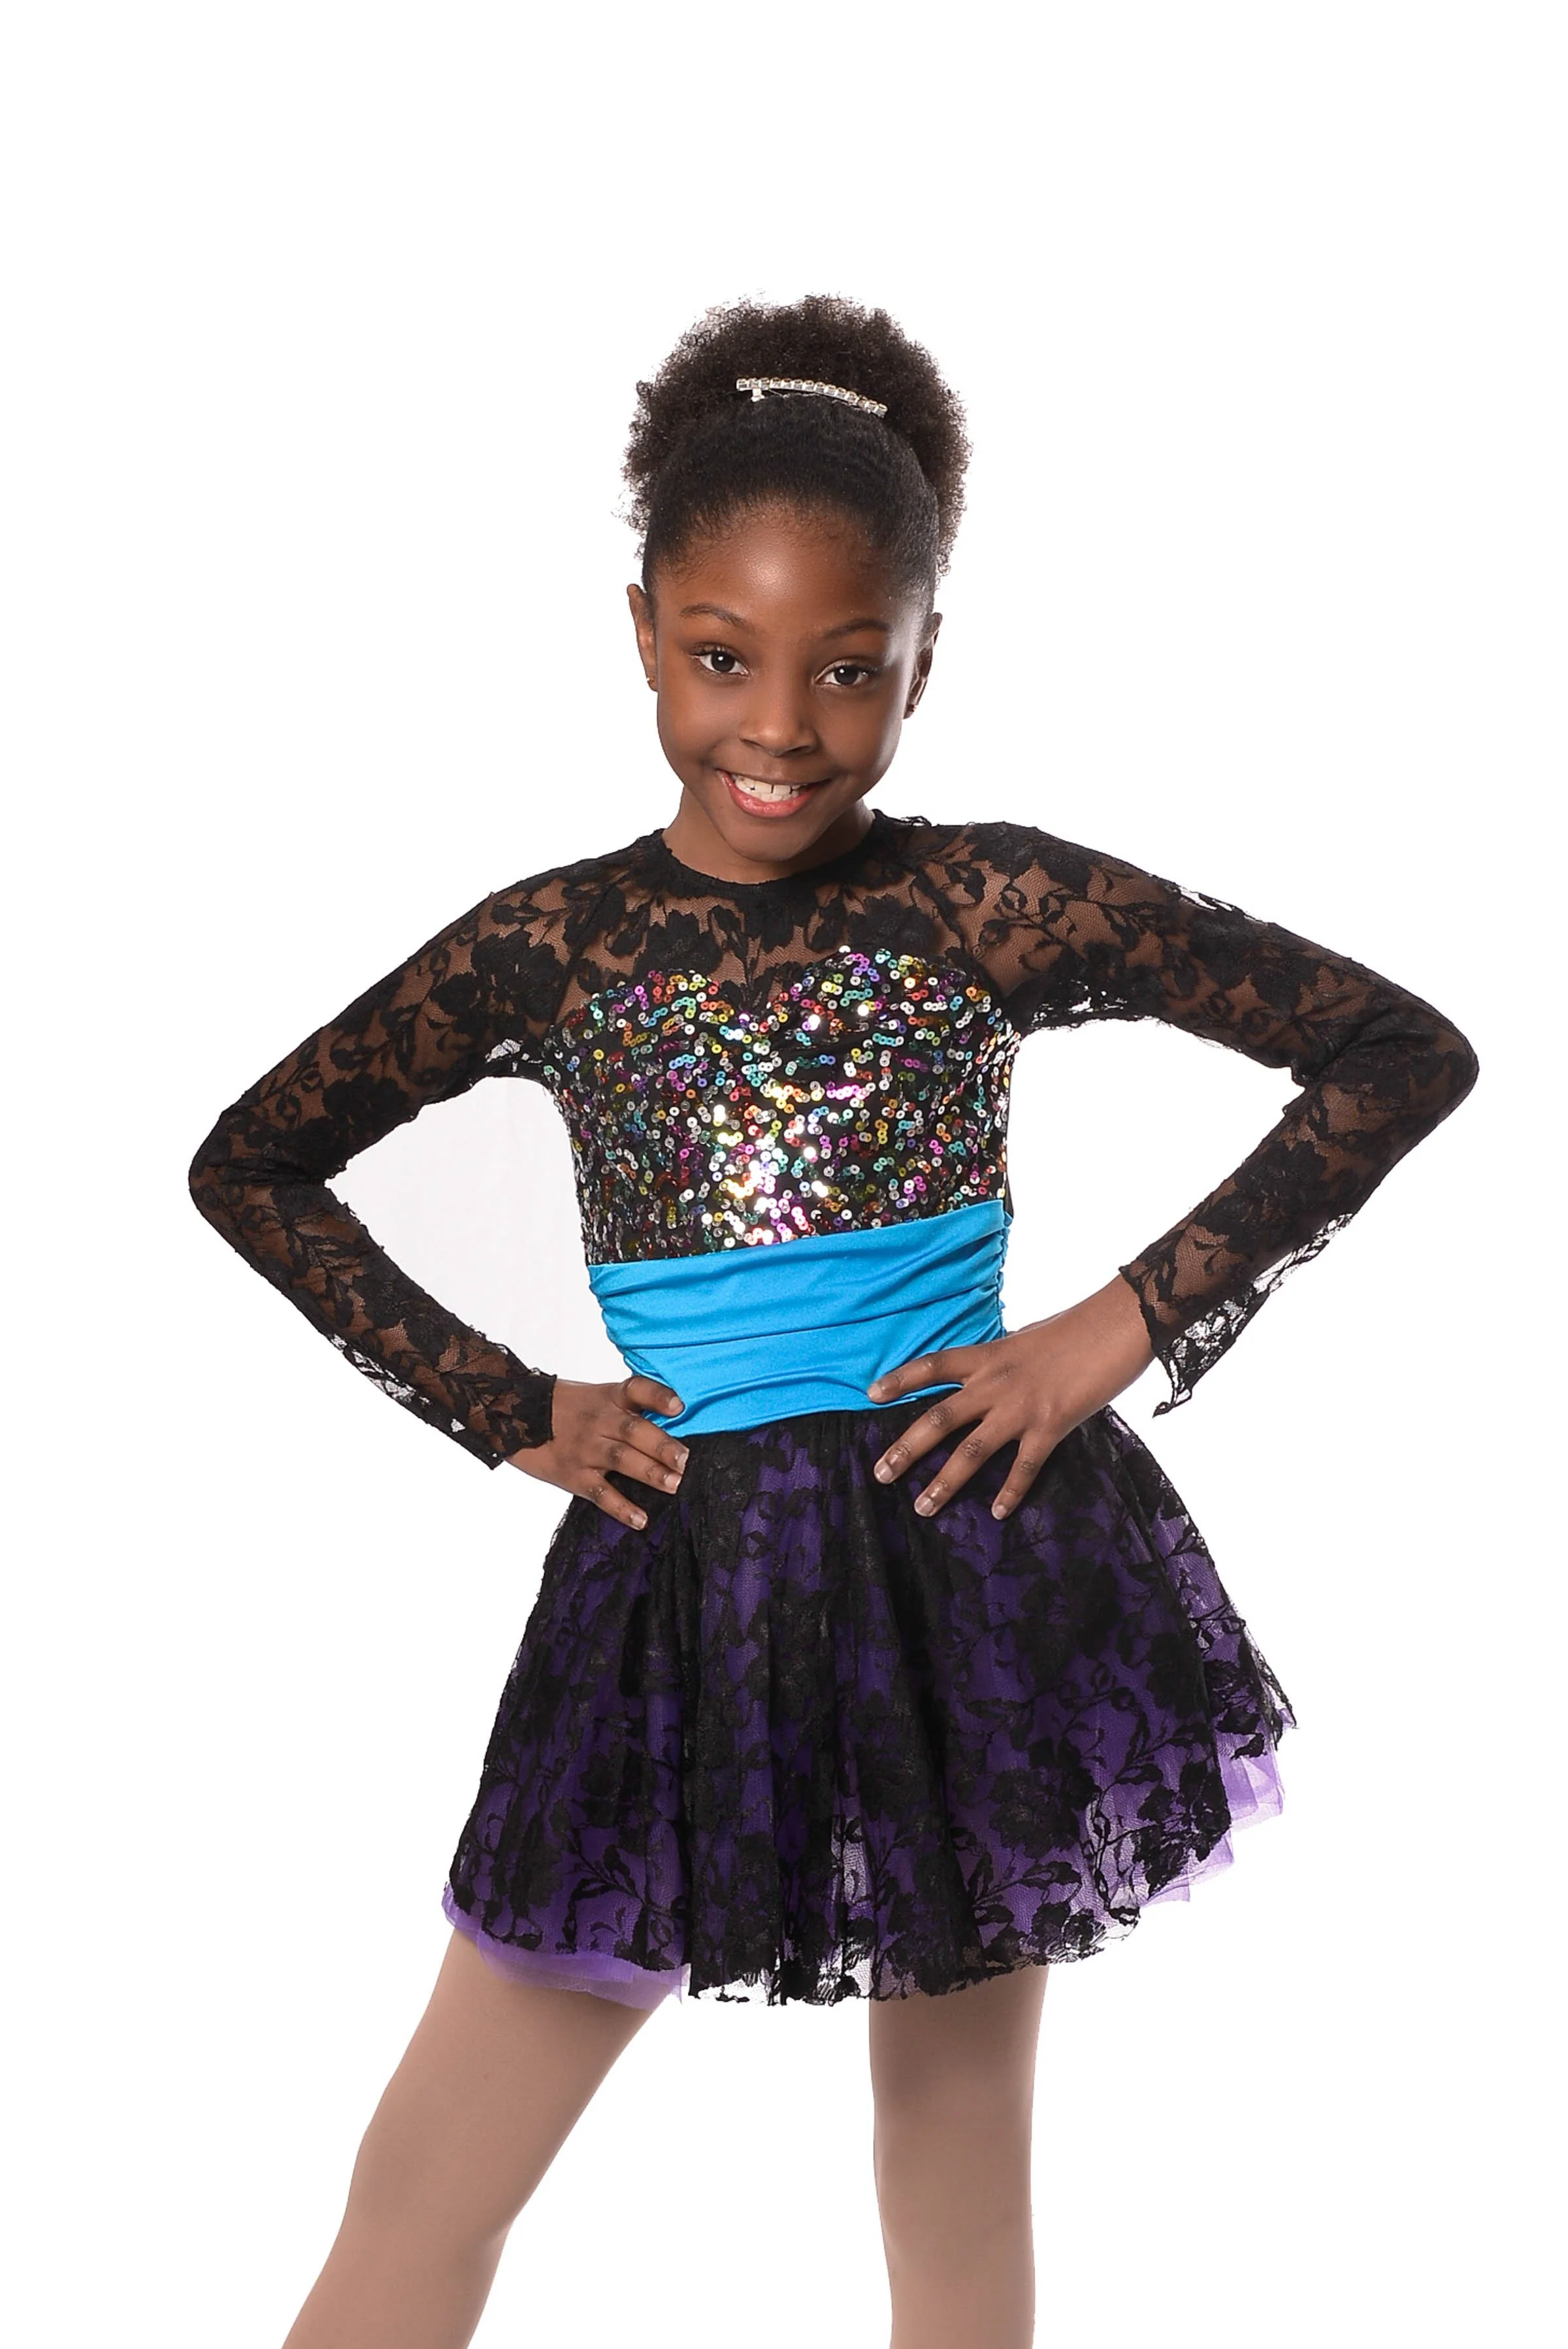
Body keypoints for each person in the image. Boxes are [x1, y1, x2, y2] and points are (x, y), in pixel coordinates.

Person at [189, 295, 1478, 2349]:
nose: (777, 726)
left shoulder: (983, 907)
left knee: (953, 2190)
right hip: (671, 1586)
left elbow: (1394, 1051)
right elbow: (250, 1162)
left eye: (847, 669)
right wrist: (511, 1402)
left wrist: (1113, 1326)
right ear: (641, 633)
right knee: (431, 2175)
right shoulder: (556, 946)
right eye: (722, 658)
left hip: (964, 1576)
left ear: (922, 661)